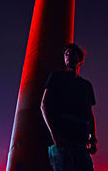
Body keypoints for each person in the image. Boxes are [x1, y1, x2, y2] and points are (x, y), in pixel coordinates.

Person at [40, 43, 97, 171]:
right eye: (66, 54)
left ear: (80, 59)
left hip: (81, 143)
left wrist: (93, 139)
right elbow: (43, 105)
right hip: (61, 142)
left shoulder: (86, 86)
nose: (68, 56)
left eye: (72, 54)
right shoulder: (56, 77)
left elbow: (90, 113)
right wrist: (54, 135)